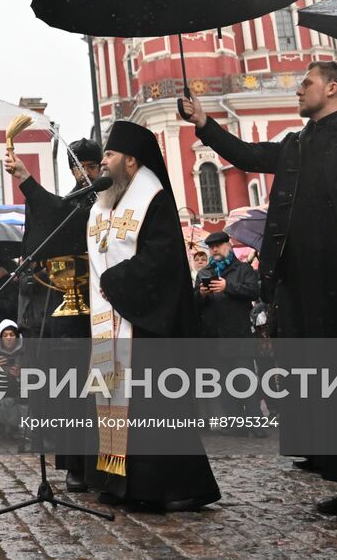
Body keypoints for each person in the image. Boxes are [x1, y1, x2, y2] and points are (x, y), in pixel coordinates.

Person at [182, 61, 337, 519]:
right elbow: (249, 155)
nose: (299, 88)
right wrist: (204, 125)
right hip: (310, 287)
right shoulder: (297, 145)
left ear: (333, 89)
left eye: (307, 83)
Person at [85, 120, 221, 513]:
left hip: (147, 326)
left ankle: (171, 486)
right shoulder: (105, 203)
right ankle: (119, 482)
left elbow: (161, 261)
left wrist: (117, 280)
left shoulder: (153, 198)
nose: (104, 162)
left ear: (131, 160)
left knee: (154, 409)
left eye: (109, 155)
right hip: (113, 320)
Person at [7, 137, 100, 493]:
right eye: (79, 169)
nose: (85, 175)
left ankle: (105, 466)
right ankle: (75, 465)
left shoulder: (107, 202)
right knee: (71, 395)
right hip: (66, 317)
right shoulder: (69, 205)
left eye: (91, 168)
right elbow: (53, 215)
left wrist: (28, 181)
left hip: (102, 312)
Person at [192, 232, 263, 431]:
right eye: (211, 246)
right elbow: (193, 304)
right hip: (214, 337)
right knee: (223, 384)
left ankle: (255, 424)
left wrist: (228, 286)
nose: (215, 249)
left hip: (238, 334)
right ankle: (234, 425)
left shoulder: (242, 269)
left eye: (218, 245)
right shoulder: (204, 273)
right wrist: (201, 294)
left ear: (228, 246)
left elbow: (253, 292)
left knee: (244, 381)